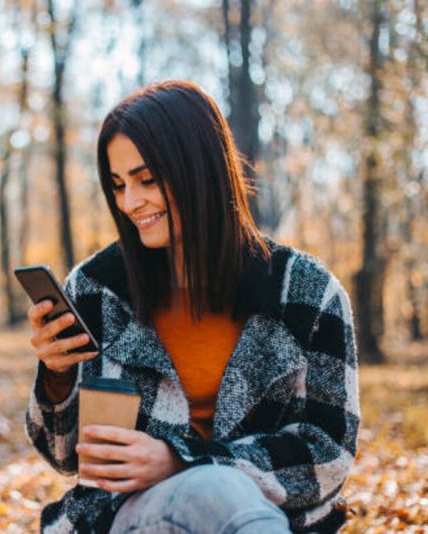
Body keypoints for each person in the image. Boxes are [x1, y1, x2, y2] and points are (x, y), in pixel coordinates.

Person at [25, 80, 359, 533]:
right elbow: (66, 457)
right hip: (130, 519)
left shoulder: (306, 292)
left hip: (270, 517)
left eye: (146, 180)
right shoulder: (97, 289)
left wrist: (183, 461)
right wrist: (57, 376)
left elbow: (328, 454)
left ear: (200, 169)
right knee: (213, 490)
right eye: (118, 185)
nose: (130, 202)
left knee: (219, 490)